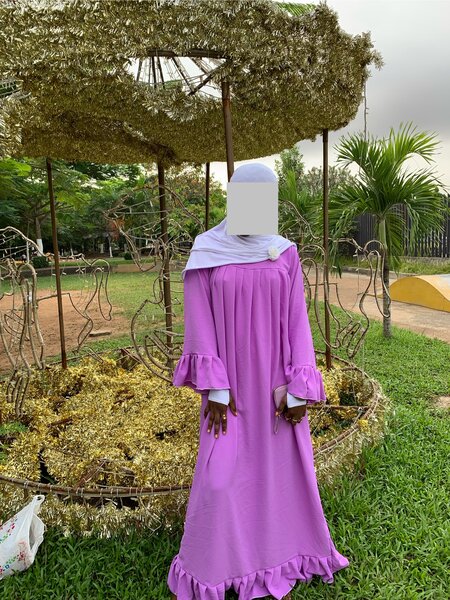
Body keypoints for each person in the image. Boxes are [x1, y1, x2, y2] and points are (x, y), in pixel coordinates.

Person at [167, 163, 349, 600]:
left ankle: (281, 557)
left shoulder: (283, 252)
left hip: (275, 391)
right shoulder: (207, 250)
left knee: (280, 478)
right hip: (228, 392)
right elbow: (199, 320)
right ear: (233, 200)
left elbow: (297, 320)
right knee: (219, 479)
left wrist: (300, 388)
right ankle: (214, 568)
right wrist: (215, 387)